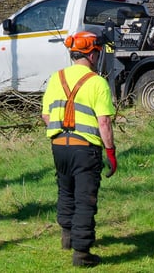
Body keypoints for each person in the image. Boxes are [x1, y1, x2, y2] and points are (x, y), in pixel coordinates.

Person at [41, 31, 118, 268]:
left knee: (66, 191)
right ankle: (82, 253)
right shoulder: (97, 82)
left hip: (59, 146)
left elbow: (46, 115)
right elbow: (103, 122)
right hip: (85, 149)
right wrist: (111, 153)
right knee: (85, 198)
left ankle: (67, 236)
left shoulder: (56, 78)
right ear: (92, 55)